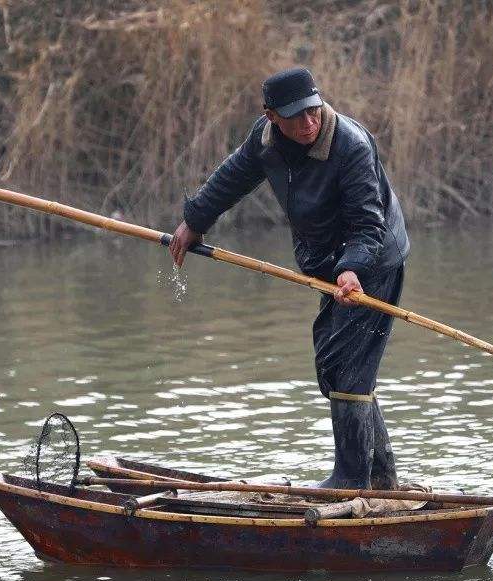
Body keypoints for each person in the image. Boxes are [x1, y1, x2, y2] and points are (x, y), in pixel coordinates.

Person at [169, 67, 409, 490]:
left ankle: (353, 479)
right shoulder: (266, 140)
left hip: (372, 261)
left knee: (346, 369)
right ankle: (382, 476)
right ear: (272, 116)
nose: (308, 123)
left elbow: (368, 222)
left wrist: (353, 268)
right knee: (337, 365)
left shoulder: (349, 145)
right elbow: (233, 177)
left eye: (313, 112)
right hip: (328, 266)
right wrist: (194, 222)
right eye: (296, 117)